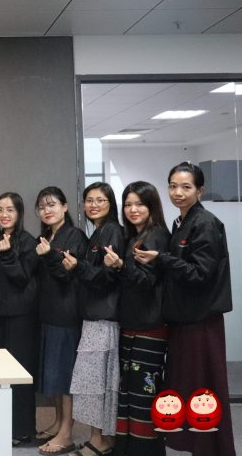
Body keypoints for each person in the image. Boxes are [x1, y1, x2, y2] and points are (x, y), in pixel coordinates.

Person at [138, 162, 235, 456]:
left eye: (186, 187)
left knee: (204, 390)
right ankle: (199, 447)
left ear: (199, 190)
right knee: (188, 388)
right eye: (173, 186)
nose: (178, 192)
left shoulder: (205, 223)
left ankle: (212, 449)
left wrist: (161, 258)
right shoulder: (181, 222)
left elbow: (199, 274)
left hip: (201, 322)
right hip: (183, 320)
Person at [104, 182, 169, 456]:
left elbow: (146, 281)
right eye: (128, 204)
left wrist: (121, 266)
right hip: (132, 323)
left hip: (149, 326)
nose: (133, 209)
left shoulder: (156, 236)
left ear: (151, 206)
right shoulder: (134, 236)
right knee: (128, 391)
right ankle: (128, 448)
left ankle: (145, 450)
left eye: (139, 204)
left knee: (144, 392)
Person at [66, 182, 124, 456]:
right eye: (89, 200)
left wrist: (78, 266)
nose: (93, 205)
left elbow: (105, 278)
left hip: (103, 319)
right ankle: (101, 439)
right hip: (95, 317)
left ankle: (99, 441)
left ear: (110, 203)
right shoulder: (98, 233)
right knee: (94, 383)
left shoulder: (112, 231)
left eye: (100, 200)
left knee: (96, 384)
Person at [33, 186, 87, 456]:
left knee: (65, 376)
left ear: (65, 207)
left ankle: (66, 433)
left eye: (52, 204)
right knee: (53, 374)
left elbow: (67, 273)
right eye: (42, 207)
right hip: (48, 313)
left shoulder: (74, 235)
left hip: (66, 316)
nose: (47, 210)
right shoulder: (46, 236)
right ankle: (57, 423)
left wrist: (49, 256)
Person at [0, 192, 39, 447]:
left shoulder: (28, 242)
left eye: (10, 210)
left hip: (20, 318)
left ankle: (22, 430)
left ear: (19, 213)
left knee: (18, 375)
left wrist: (7, 255)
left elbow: (21, 277)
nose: (4, 215)